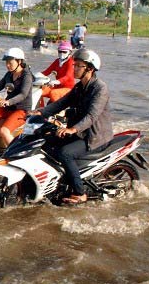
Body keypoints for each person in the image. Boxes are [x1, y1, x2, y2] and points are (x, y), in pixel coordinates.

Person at [31, 49, 113, 205]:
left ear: (89, 68)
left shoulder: (100, 89)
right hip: (80, 132)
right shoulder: (79, 87)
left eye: (78, 66)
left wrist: (72, 129)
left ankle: (80, 193)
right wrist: (40, 112)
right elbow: (61, 103)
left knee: (65, 153)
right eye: (74, 65)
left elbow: (91, 116)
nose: (74, 69)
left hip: (93, 136)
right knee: (46, 143)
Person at [0, 48, 33, 148]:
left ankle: (17, 153)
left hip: (21, 110)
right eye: (6, 63)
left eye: (10, 63)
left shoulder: (26, 76)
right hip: (8, 108)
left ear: (19, 61)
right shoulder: (9, 74)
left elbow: (23, 94)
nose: (7, 65)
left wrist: (8, 101)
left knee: (3, 131)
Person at [40, 41, 75, 105]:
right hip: (57, 87)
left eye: (64, 52)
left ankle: (59, 111)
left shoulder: (71, 62)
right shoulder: (57, 61)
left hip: (68, 89)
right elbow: (46, 72)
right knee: (39, 91)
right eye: (60, 51)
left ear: (70, 52)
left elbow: (68, 76)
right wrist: (33, 76)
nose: (62, 53)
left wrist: (56, 81)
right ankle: (40, 110)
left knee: (54, 93)